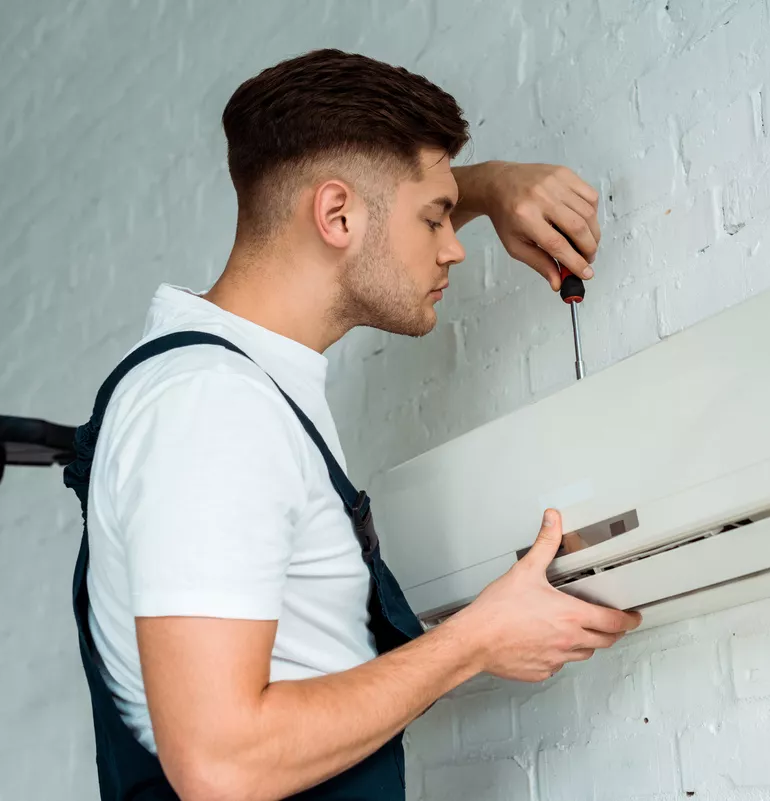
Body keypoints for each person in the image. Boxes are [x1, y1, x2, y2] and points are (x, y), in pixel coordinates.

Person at [63, 48, 642, 801]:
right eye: (435, 218)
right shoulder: (212, 407)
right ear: (336, 214)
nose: (454, 245)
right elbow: (221, 762)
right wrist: (476, 640)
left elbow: (370, 204)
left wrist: (485, 186)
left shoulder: (227, 386)